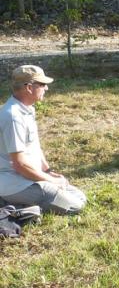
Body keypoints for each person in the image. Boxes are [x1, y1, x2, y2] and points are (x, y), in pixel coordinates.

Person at [0, 65, 86, 215]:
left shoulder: (27, 109)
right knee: (75, 205)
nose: (46, 88)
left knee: (79, 196)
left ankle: (25, 205)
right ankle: (11, 205)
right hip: (15, 184)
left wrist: (48, 172)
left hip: (30, 178)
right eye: (42, 84)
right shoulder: (13, 117)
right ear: (28, 88)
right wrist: (50, 181)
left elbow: (34, 146)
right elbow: (19, 164)